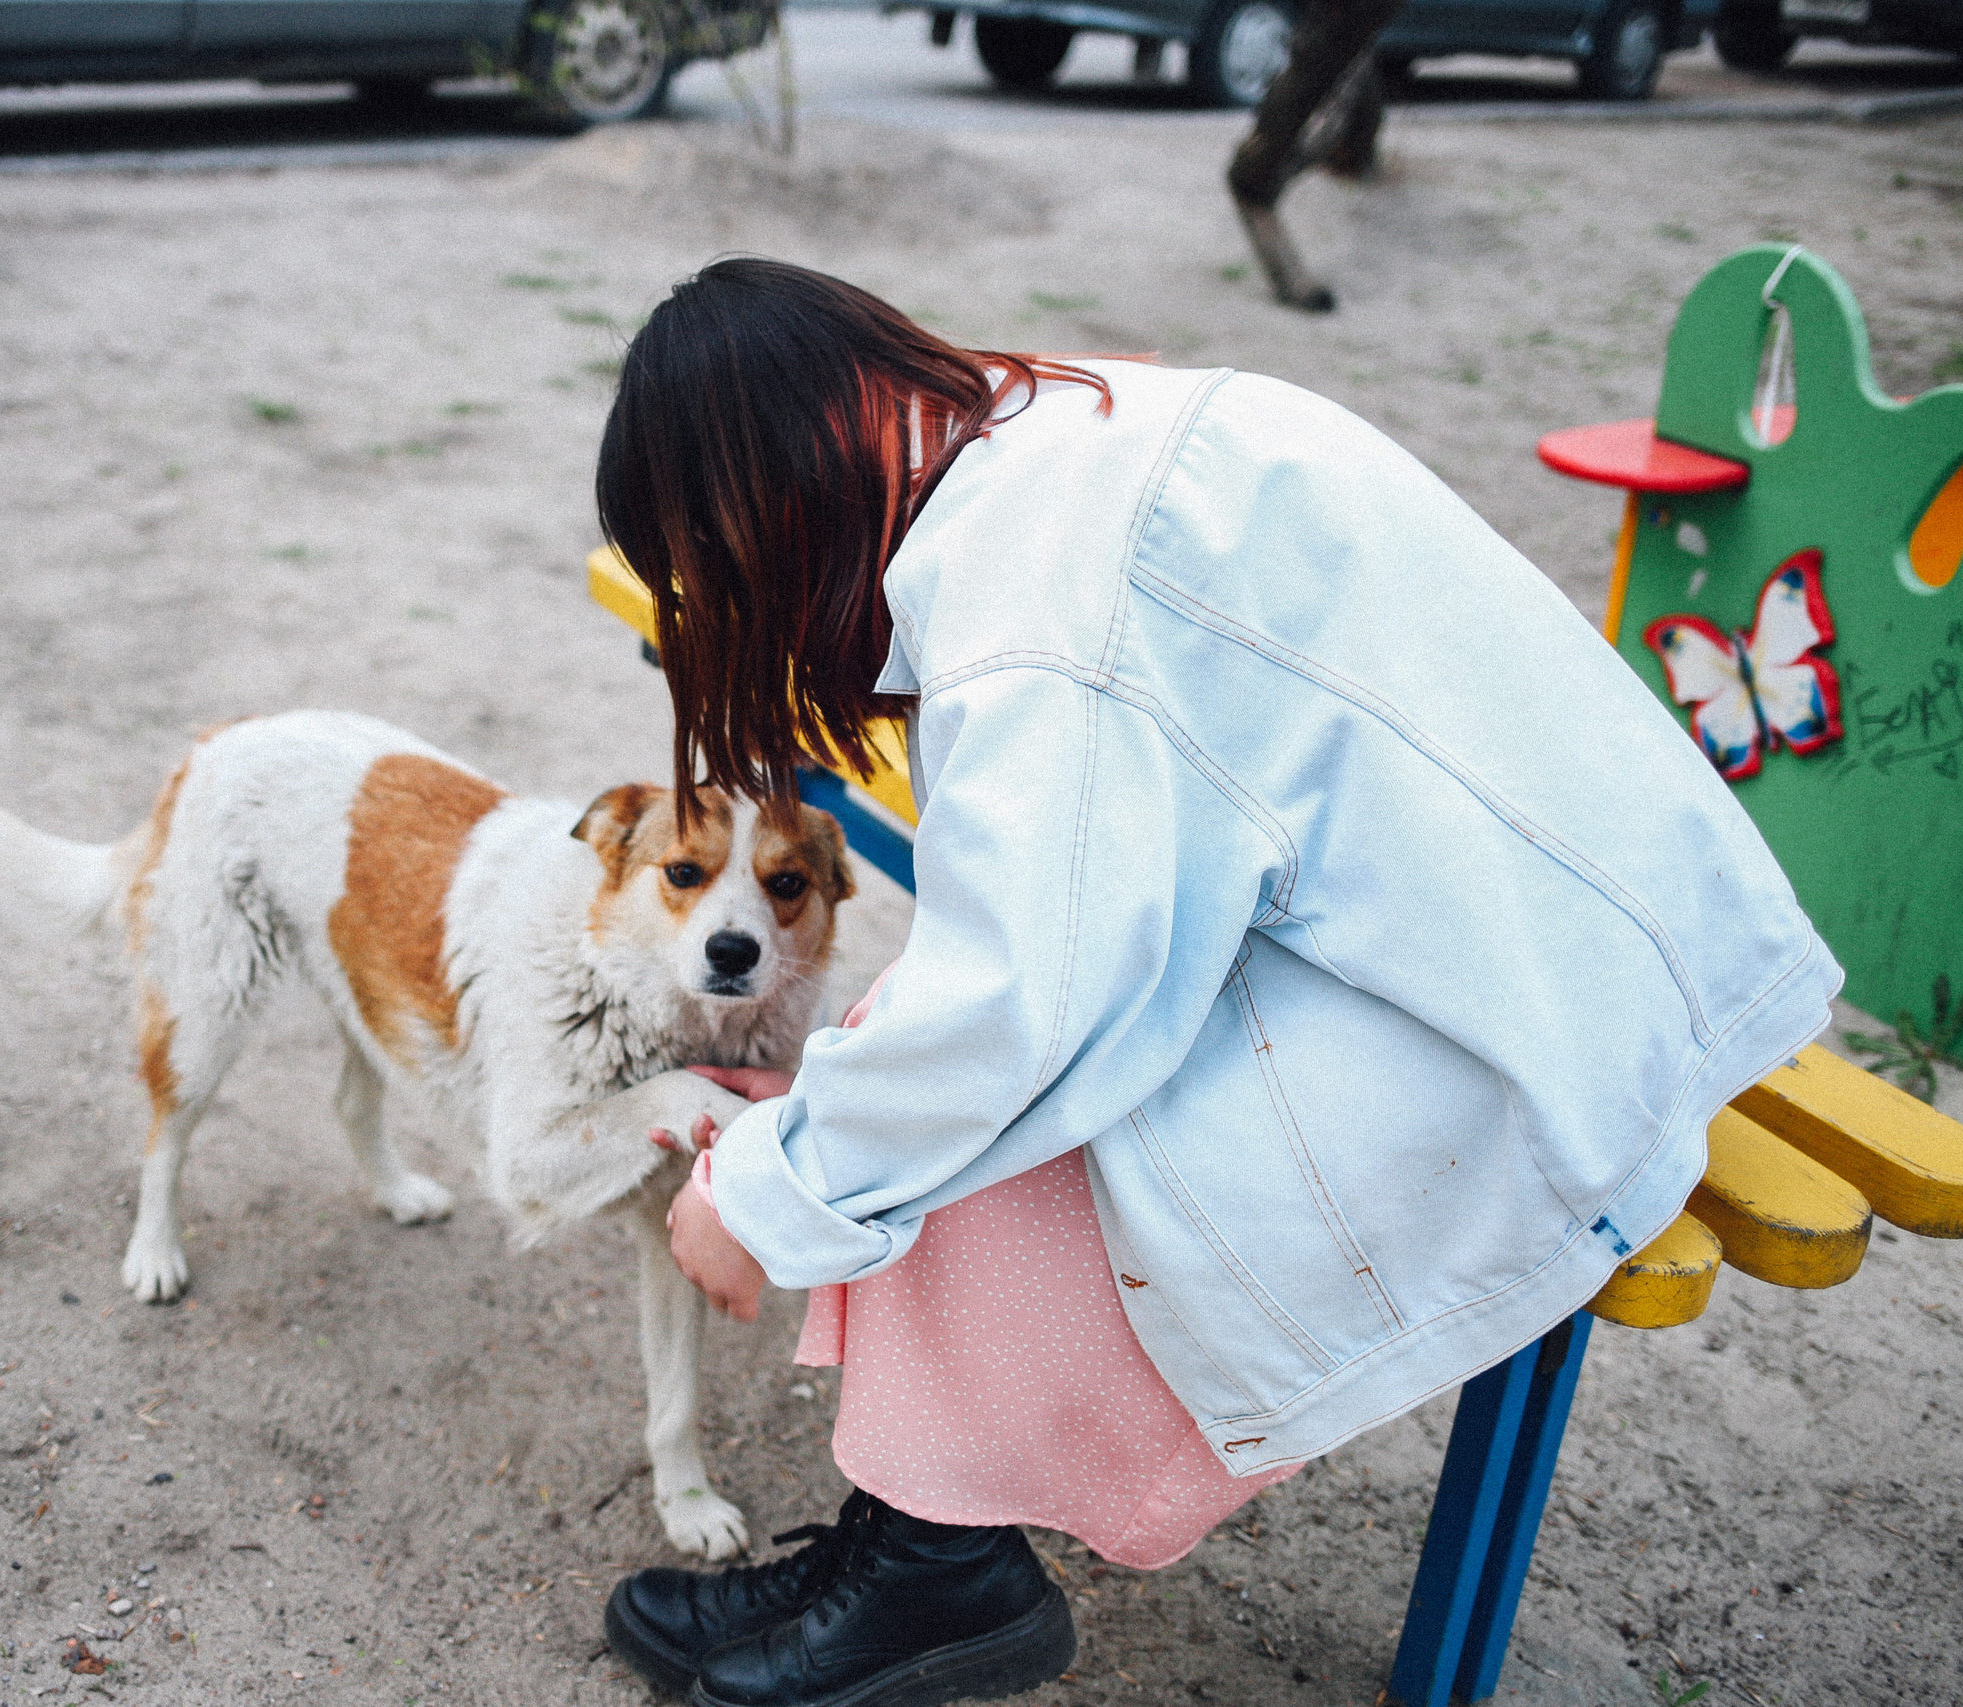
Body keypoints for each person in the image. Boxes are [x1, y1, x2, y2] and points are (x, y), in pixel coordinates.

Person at [590, 258, 1838, 1707]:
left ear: (785, 481)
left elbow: (1023, 1010)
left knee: (966, 1101)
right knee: (924, 1075)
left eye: (726, 562)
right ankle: (924, 1537)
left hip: (1528, 1028)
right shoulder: (1056, 440)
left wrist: (759, 1195)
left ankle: (933, 1568)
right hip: (1551, 936)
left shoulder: (1036, 584)